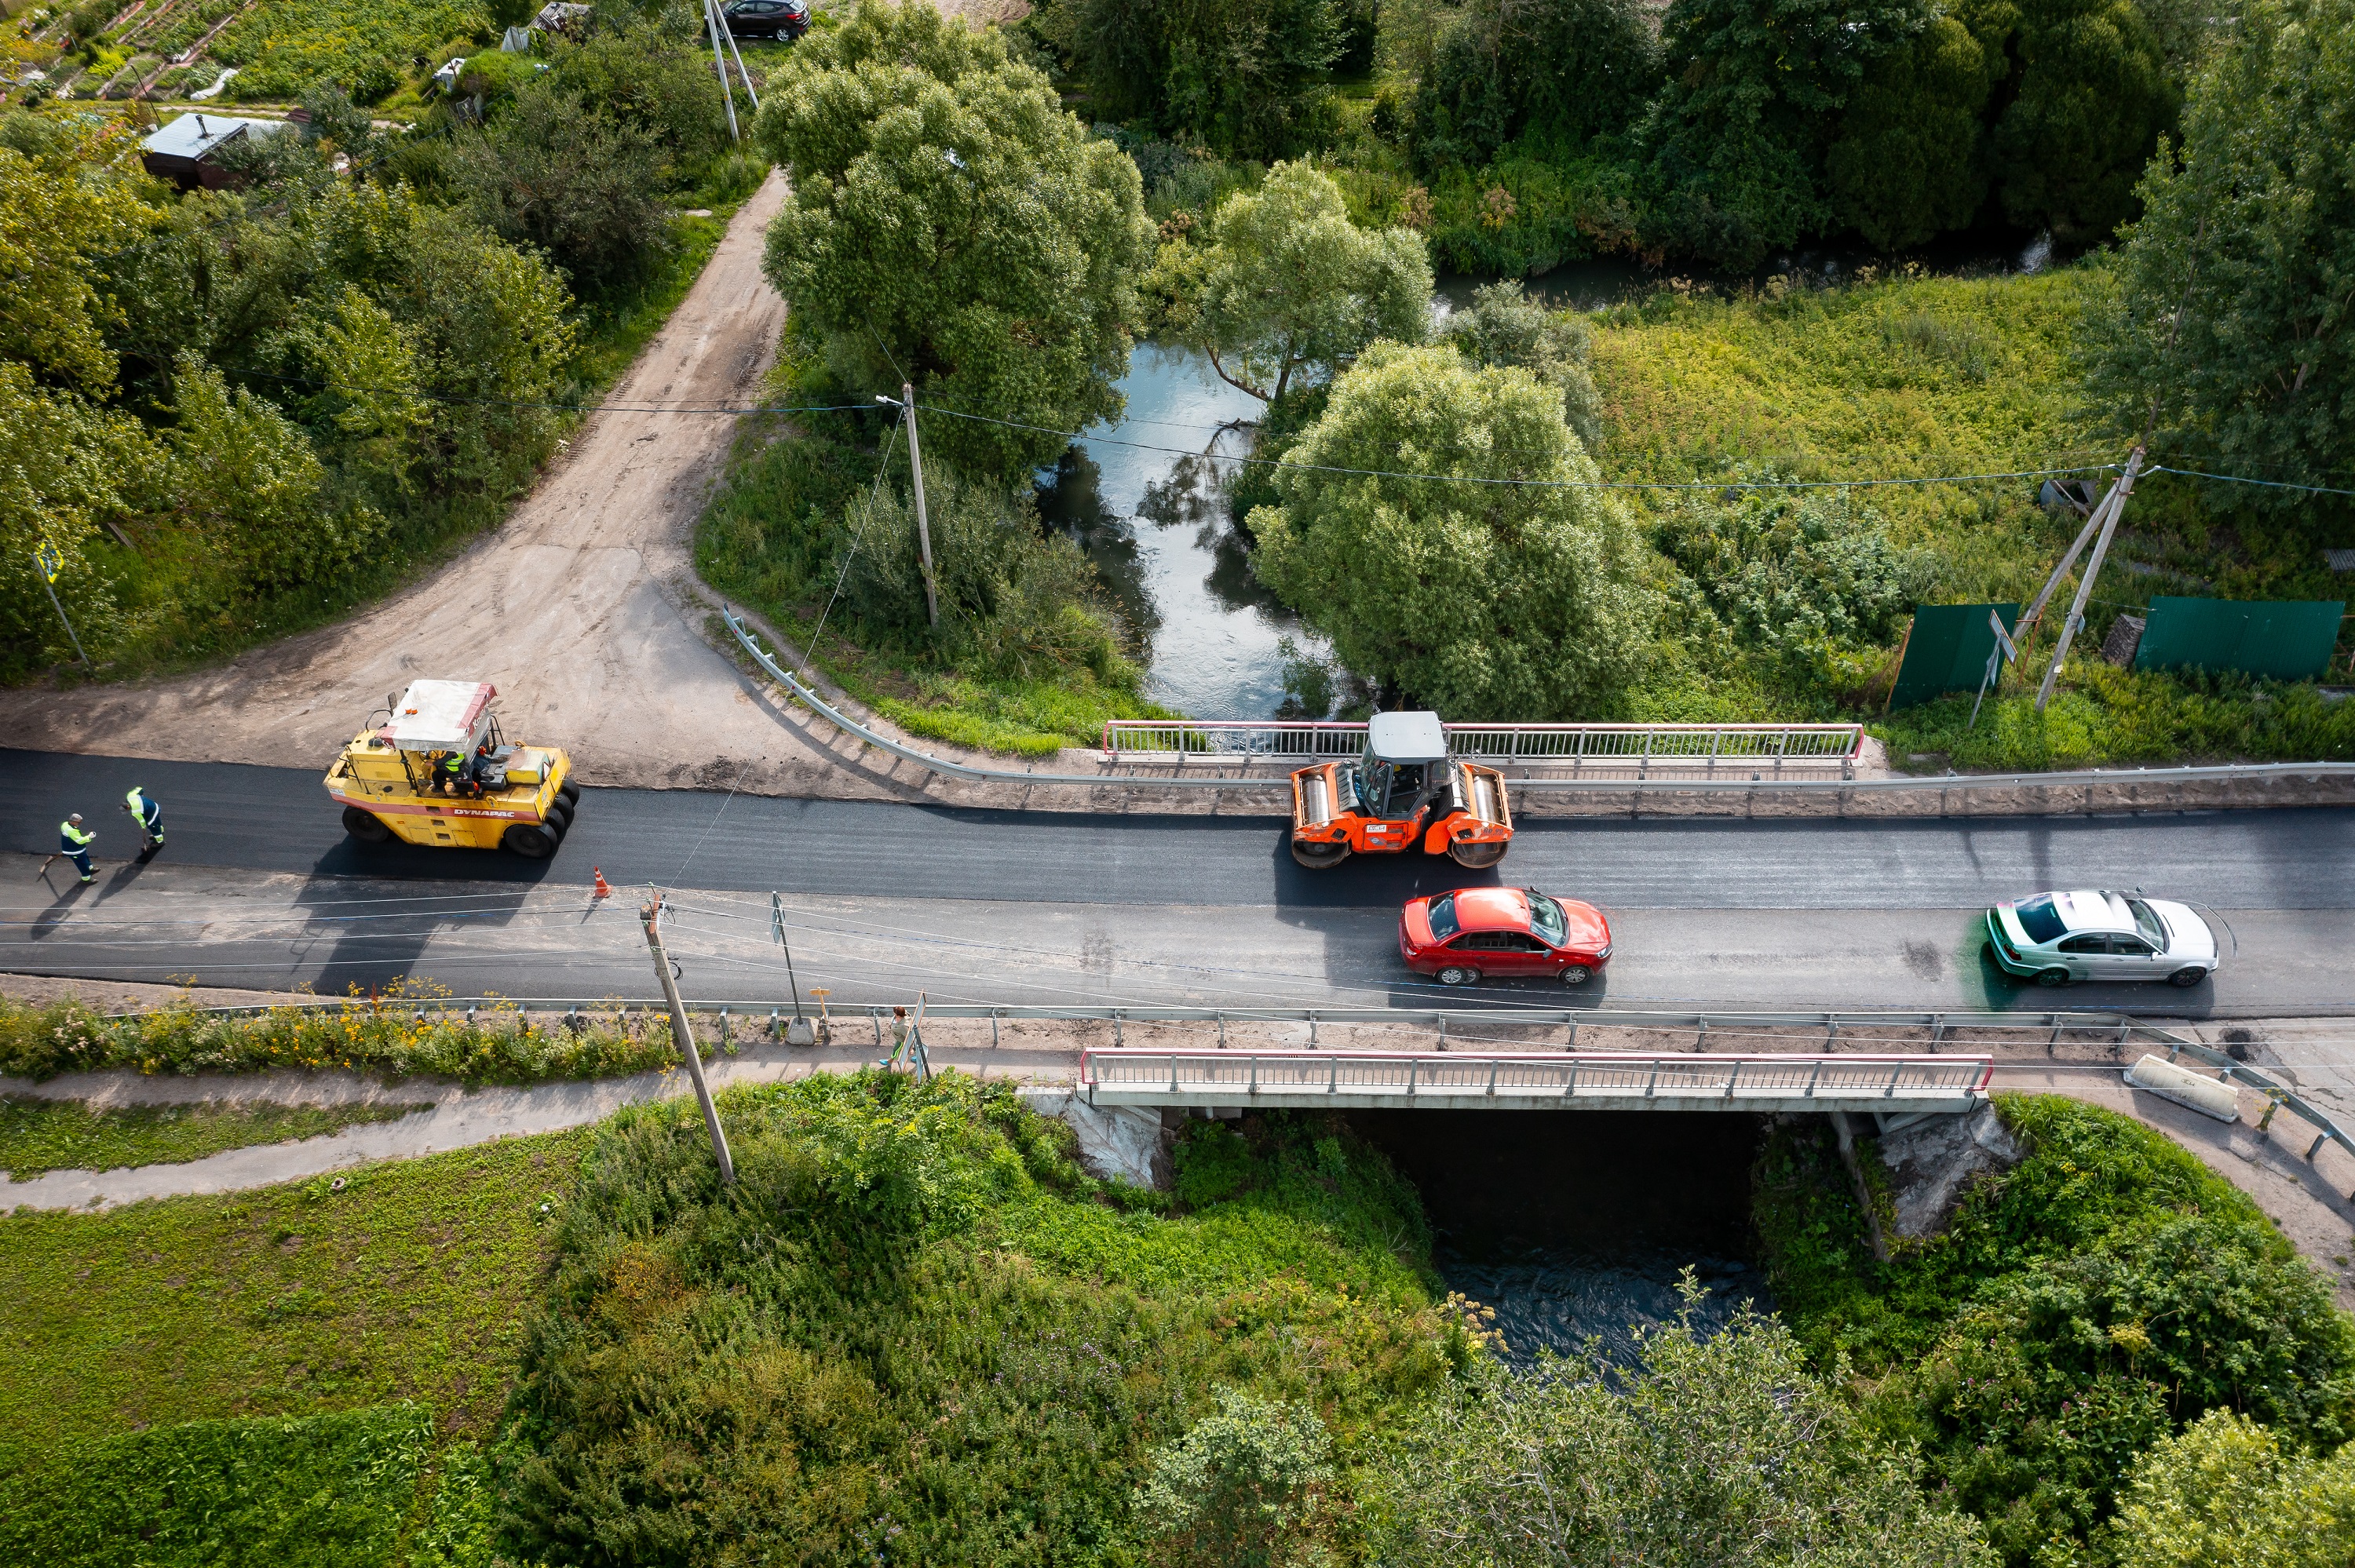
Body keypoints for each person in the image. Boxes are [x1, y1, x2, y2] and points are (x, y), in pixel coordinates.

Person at [122, 785, 163, 853]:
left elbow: (142, 821)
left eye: (127, 809)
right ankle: (161, 831)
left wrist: (143, 827)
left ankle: (160, 841)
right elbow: (139, 789)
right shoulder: (130, 795)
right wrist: (141, 795)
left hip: (152, 811)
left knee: (152, 825)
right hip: (154, 805)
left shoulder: (135, 811)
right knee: (157, 821)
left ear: (128, 806)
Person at [59, 813, 97, 883]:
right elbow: (80, 840)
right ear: (73, 821)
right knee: (82, 864)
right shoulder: (72, 830)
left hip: (78, 849)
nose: (79, 824)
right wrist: (90, 836)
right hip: (74, 851)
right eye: (78, 822)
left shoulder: (65, 824)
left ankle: (90, 869)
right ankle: (86, 878)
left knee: (86, 858)